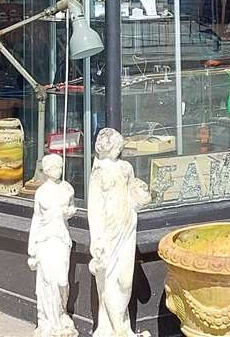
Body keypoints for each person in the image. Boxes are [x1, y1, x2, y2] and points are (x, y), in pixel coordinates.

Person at [88, 128, 150, 337]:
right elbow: (94, 207)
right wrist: (95, 238)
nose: (117, 150)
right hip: (108, 232)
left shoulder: (126, 168)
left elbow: (134, 193)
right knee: (109, 281)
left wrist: (141, 197)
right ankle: (117, 329)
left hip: (127, 226)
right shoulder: (98, 171)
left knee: (125, 280)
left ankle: (122, 325)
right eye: (114, 146)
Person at [26, 154, 77, 337]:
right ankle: (48, 320)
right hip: (45, 239)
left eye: (60, 167)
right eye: (55, 167)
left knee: (62, 280)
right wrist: (32, 250)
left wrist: (69, 213)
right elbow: (37, 218)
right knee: (48, 280)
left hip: (61, 238)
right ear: (47, 171)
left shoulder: (67, 189)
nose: (59, 170)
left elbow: (70, 210)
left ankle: (61, 312)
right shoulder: (41, 192)